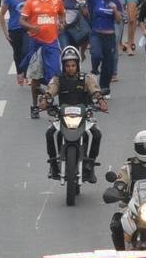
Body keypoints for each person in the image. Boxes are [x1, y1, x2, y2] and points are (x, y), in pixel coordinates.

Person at [39, 46, 108, 182]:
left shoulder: (86, 78)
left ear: (78, 65)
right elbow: (51, 90)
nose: (70, 68)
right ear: (63, 66)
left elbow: (94, 89)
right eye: (67, 65)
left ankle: (90, 164)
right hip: (62, 116)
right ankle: (53, 165)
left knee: (96, 134)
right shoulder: (58, 79)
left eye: (73, 65)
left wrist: (101, 101)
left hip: (84, 116)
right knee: (49, 133)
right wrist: (45, 99)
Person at [20, 0, 65, 118]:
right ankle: (35, 106)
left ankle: (48, 100)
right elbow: (21, 21)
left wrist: (62, 24)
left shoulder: (56, 0)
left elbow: (62, 14)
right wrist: (32, 27)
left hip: (51, 42)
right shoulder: (31, 2)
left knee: (55, 75)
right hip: (36, 43)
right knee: (36, 77)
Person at [0, 0, 31, 85]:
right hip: (14, 29)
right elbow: (1, 15)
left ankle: (25, 73)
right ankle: (19, 73)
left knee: (27, 51)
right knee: (18, 53)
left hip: (27, 28)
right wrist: (5, 33)